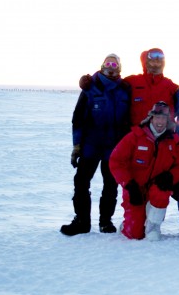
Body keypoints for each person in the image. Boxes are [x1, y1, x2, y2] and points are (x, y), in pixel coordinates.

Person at [61, 54, 131, 236]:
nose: (111, 66)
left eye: (114, 64)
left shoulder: (125, 89)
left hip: (114, 147)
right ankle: (82, 221)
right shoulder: (90, 87)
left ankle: (105, 222)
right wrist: (77, 146)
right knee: (81, 182)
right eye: (108, 63)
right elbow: (78, 119)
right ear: (102, 66)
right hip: (91, 144)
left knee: (111, 185)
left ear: (119, 68)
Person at [109, 101, 179, 240]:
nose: (160, 121)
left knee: (161, 191)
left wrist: (170, 176)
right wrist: (129, 184)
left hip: (156, 187)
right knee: (134, 234)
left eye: (163, 118)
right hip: (135, 189)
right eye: (157, 117)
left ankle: (153, 227)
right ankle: (129, 224)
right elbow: (116, 161)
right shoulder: (135, 136)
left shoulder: (173, 140)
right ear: (151, 118)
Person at [80, 48, 179, 127]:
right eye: (153, 60)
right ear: (146, 62)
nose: (156, 62)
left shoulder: (171, 86)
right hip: (136, 139)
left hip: (163, 139)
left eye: (160, 60)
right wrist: (91, 81)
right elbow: (110, 82)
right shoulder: (132, 82)